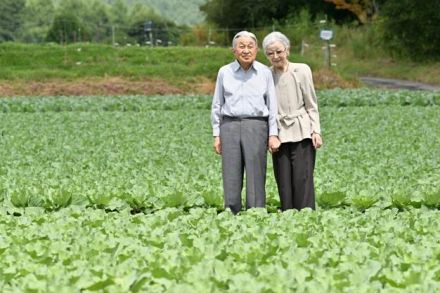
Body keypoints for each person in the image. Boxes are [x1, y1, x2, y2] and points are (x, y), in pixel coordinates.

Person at [211, 31, 280, 214]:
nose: (246, 50)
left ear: (256, 50)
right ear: (234, 50)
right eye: (242, 46)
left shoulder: (265, 72)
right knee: (231, 173)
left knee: (256, 172)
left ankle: (255, 212)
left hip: (256, 125)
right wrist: (216, 134)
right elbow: (217, 104)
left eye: (250, 46)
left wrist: (273, 134)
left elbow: (272, 105)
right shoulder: (224, 72)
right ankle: (231, 211)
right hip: (229, 126)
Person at [262, 31, 323, 211]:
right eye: (270, 53)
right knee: (283, 179)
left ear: (287, 50)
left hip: (302, 129)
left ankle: (306, 215)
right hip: (278, 132)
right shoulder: (266, 74)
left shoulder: (302, 70)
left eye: (279, 51)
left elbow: (311, 104)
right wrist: (269, 134)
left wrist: (316, 131)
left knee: (302, 177)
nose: (275, 56)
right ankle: (288, 216)